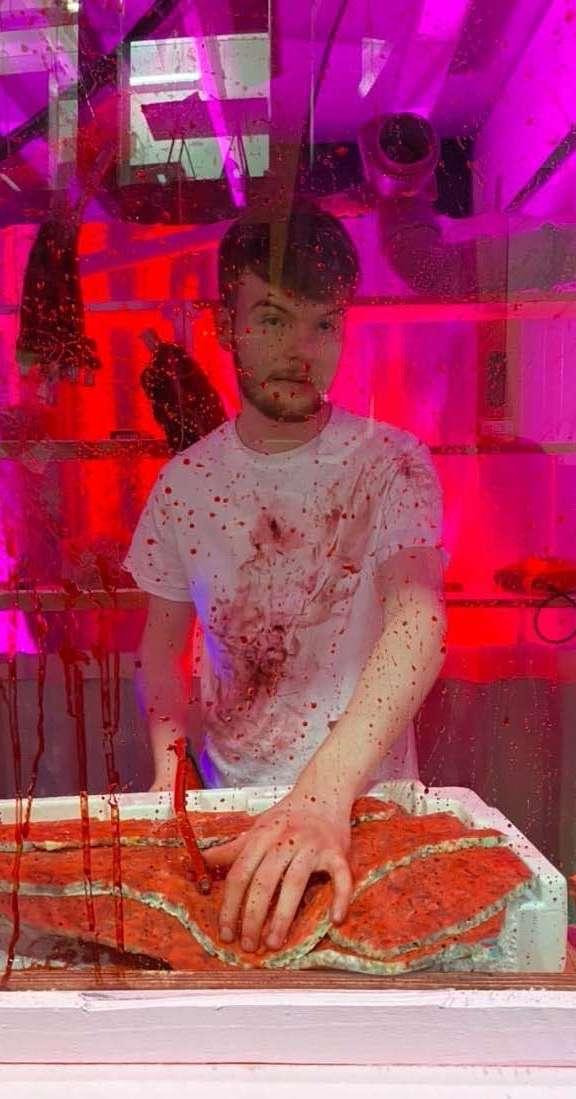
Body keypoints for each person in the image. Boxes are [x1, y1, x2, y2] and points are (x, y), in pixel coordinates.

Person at [123, 200, 447, 954]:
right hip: (234, 808)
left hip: (362, 807)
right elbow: (162, 651)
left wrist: (324, 794)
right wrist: (169, 777)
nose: (301, 349)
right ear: (226, 324)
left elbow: (419, 620)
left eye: (323, 324)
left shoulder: (391, 463)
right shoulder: (185, 485)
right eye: (272, 319)